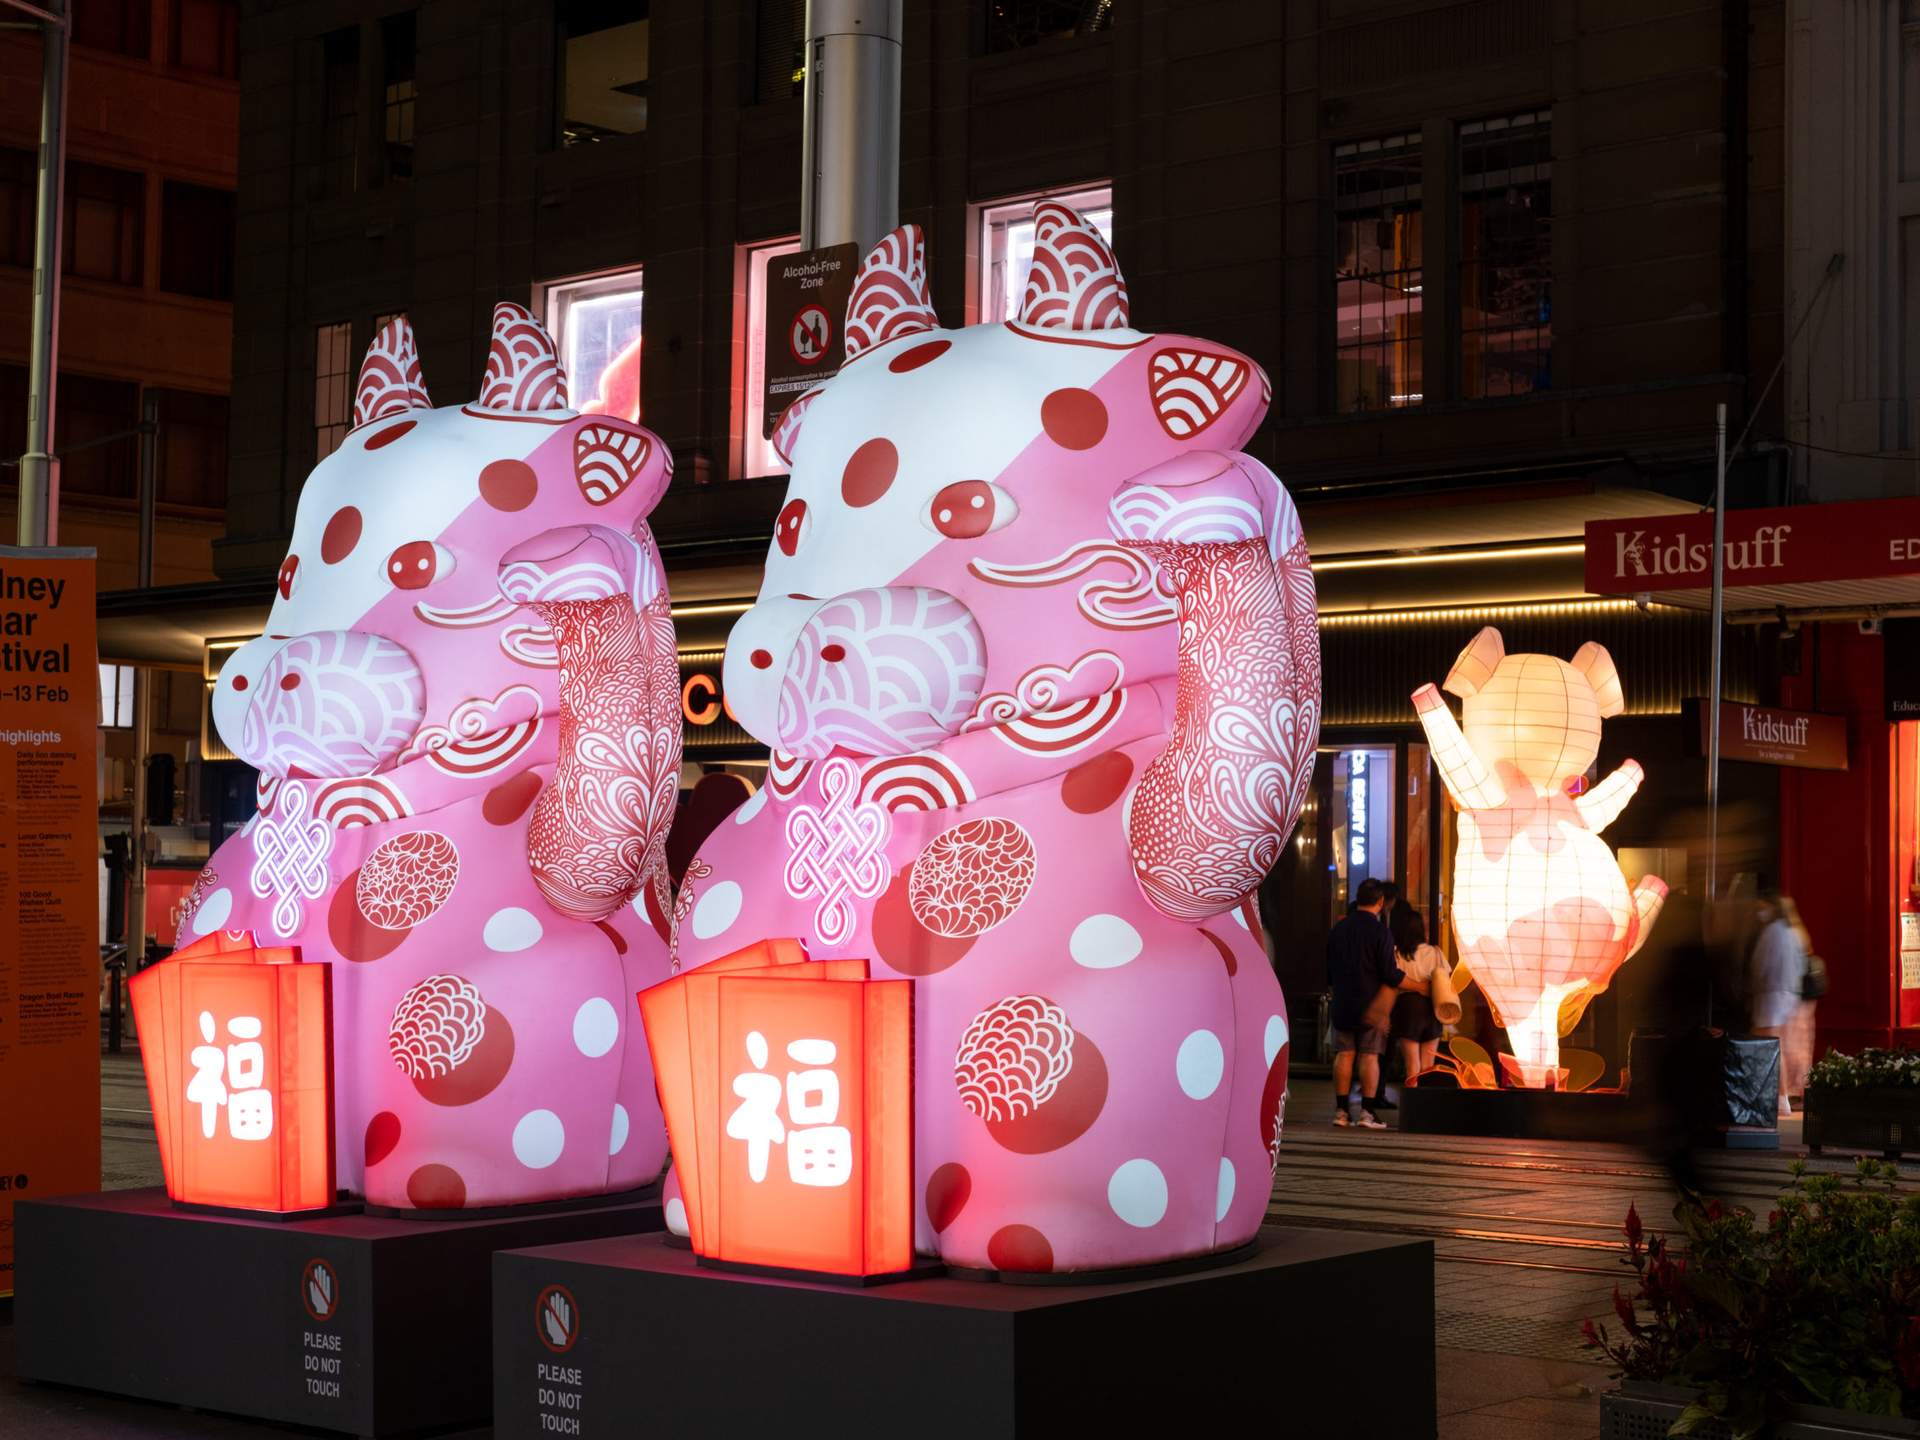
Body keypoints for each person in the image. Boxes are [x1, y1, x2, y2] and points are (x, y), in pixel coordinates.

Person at [1326, 877, 1403, 1129]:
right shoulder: (1382, 932)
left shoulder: (1339, 929)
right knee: (1369, 1056)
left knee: (1344, 1054)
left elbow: (1328, 968)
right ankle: (1367, 1113)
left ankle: (1341, 1111)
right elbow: (1390, 973)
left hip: (1343, 1001)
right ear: (1380, 902)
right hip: (1372, 1003)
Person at [1748, 890, 1813, 1117]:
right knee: (1783, 1048)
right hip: (1790, 997)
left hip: (1770, 997)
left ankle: (1779, 1098)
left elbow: (1760, 966)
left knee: (1771, 1049)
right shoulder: (1796, 933)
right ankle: (1784, 1097)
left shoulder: (1771, 932)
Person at [1388, 905, 1444, 1085]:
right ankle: (1425, 1108)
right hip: (1432, 1008)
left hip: (1407, 1007)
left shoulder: (1397, 954)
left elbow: (1394, 981)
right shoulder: (1435, 952)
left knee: (1412, 1065)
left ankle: (1412, 1108)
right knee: (1428, 1065)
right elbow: (1445, 979)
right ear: (1421, 929)